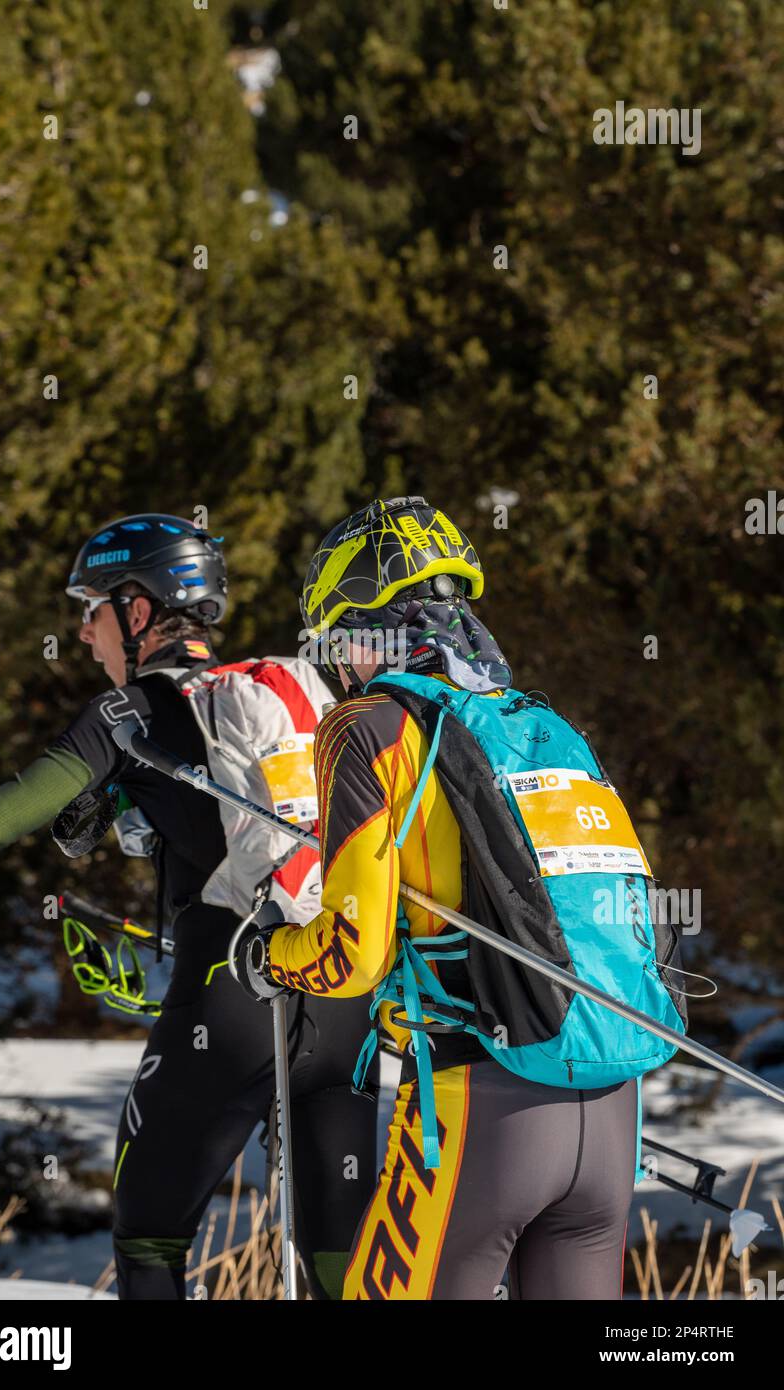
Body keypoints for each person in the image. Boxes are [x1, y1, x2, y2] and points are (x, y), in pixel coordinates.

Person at [233, 495, 687, 1301]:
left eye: (329, 646)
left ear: (355, 631)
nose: (332, 671)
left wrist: (267, 957)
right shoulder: (546, 727)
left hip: (478, 1109)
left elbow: (352, 952)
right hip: (613, 1100)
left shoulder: (369, 726)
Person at [0, 513, 376, 1300]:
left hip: (231, 996)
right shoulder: (272, 698)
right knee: (340, 1261)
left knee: (150, 1232)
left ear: (136, 612)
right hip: (340, 998)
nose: (83, 631)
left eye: (90, 608)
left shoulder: (129, 714)